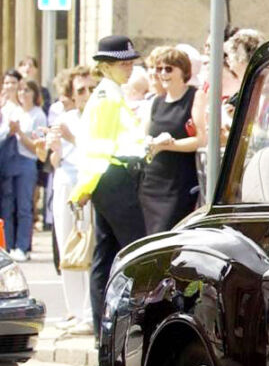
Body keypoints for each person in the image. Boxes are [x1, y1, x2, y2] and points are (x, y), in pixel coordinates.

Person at [73, 36, 149, 329]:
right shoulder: (107, 97)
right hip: (111, 178)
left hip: (109, 179)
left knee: (105, 255)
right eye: (122, 63)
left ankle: (102, 324)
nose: (129, 67)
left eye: (131, 62)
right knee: (135, 249)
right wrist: (84, 188)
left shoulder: (110, 93)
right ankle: (133, 320)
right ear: (105, 66)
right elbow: (98, 149)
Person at [46, 67, 92, 330]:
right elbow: (55, 160)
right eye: (80, 90)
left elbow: (91, 150)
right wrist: (55, 146)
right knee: (66, 245)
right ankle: (74, 310)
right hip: (65, 180)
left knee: (85, 244)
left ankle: (87, 311)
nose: (86, 95)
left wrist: (71, 137)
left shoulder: (93, 117)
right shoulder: (65, 117)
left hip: (86, 183)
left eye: (89, 89)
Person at [139, 47, 201, 233]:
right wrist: (152, 143)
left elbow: (200, 140)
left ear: (183, 71)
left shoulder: (194, 96)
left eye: (169, 69)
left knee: (168, 233)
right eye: (159, 69)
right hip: (152, 183)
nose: (163, 74)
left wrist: (168, 145)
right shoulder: (156, 102)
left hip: (178, 184)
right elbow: (144, 137)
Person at [0, 74, 46, 261]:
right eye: (20, 90)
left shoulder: (38, 115)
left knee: (24, 207)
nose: (22, 93)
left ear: (34, 93)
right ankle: (8, 246)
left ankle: (22, 246)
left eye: (26, 90)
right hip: (10, 162)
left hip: (26, 162)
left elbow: (37, 147)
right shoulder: (14, 111)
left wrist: (19, 132)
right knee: (8, 206)